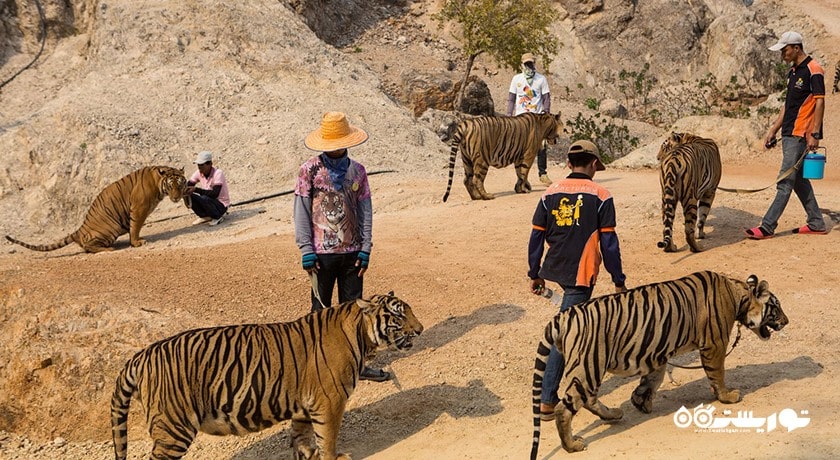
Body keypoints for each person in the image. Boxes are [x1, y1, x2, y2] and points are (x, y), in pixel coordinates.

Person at [527, 140, 627, 420]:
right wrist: (618, 280)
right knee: (565, 335)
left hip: (555, 267)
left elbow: (536, 235)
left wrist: (535, 273)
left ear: (569, 164)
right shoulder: (602, 195)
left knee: (567, 329)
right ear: (594, 164)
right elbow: (609, 244)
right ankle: (547, 399)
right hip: (581, 273)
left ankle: (555, 392)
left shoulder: (550, 192)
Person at [293, 111, 390, 382]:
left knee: (353, 313)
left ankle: (355, 365)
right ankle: (317, 368)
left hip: (352, 253)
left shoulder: (358, 171)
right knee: (320, 313)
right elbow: (301, 211)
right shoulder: (309, 170)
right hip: (321, 255)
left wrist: (366, 247)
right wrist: (305, 249)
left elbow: (365, 210)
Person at [746, 31, 827, 239]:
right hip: (789, 132)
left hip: (801, 134)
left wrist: (815, 133)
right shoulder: (793, 71)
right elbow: (788, 104)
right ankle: (816, 222)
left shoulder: (813, 69)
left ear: (796, 48)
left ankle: (767, 226)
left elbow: (819, 101)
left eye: (784, 49)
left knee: (784, 181)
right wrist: (773, 129)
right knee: (799, 179)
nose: (782, 53)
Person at [507, 52, 553, 185]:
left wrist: (546, 112)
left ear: (534, 63)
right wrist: (509, 115)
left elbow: (546, 98)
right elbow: (511, 98)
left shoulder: (541, 79)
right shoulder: (516, 79)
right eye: (526, 63)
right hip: (520, 119)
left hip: (537, 118)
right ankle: (521, 176)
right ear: (522, 64)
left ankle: (542, 173)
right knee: (520, 148)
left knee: (541, 146)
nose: (529, 66)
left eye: (531, 63)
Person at [186, 151, 230, 226]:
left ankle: (218, 216)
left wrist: (196, 189)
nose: (200, 167)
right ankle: (205, 216)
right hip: (208, 202)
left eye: (202, 165)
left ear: (209, 164)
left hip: (221, 205)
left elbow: (214, 194)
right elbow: (189, 184)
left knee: (205, 197)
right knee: (189, 195)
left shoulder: (218, 173)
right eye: (198, 165)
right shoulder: (198, 172)